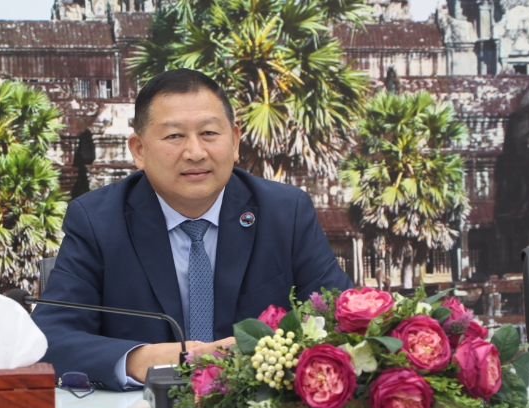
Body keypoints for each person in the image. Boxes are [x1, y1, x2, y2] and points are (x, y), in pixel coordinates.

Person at [31, 69, 353, 391]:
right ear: (139, 150)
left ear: (234, 141)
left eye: (209, 133)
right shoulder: (98, 220)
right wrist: (147, 359)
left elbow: (343, 322)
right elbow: (49, 339)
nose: (196, 153)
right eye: (174, 136)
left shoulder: (285, 213)